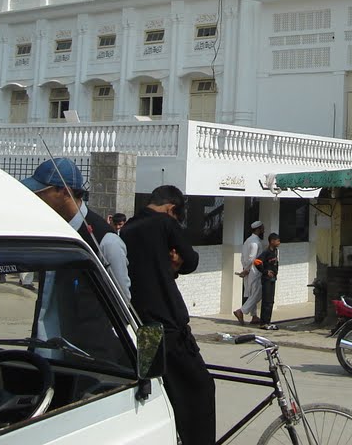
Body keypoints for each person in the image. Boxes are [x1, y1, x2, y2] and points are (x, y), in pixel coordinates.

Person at [121, 184, 215, 445]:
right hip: (169, 328)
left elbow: (146, 271)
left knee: (159, 393)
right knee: (200, 390)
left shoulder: (127, 229)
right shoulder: (165, 223)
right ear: (171, 209)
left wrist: (169, 267)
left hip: (144, 328)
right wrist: (178, 263)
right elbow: (191, 260)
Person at [22, 158, 130, 299]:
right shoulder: (51, 231)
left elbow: (121, 299)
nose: (35, 198)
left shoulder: (105, 241)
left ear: (65, 192)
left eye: (41, 193)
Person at [234, 220, 265, 325]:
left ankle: (254, 316)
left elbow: (243, 257)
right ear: (258, 229)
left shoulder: (248, 240)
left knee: (252, 293)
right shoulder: (255, 242)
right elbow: (252, 258)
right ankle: (241, 311)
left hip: (248, 269)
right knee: (257, 293)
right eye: (262, 228)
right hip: (254, 270)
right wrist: (247, 270)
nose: (263, 230)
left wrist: (245, 268)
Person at [255, 233, 281, 330]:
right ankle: (263, 323)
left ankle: (268, 321)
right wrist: (265, 271)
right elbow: (257, 262)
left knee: (271, 301)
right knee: (266, 301)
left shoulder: (275, 251)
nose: (279, 242)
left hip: (273, 279)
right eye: (277, 240)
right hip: (266, 280)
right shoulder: (266, 252)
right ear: (272, 241)